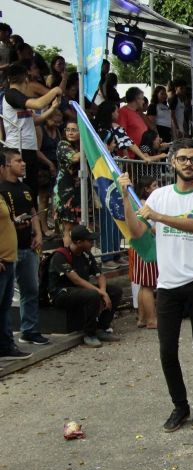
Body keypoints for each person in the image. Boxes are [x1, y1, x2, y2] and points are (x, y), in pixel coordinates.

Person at [119, 138, 193, 432]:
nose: (189, 164)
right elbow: (138, 230)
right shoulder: (159, 196)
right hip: (167, 285)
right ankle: (180, 407)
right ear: (173, 162)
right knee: (167, 351)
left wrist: (159, 217)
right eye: (183, 159)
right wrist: (126, 197)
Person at [0, 148, 49, 345]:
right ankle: (6, 339)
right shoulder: (1, 189)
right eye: (18, 161)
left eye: (23, 160)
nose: (23, 164)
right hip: (7, 251)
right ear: (6, 165)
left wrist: (37, 232)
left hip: (27, 246)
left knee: (31, 290)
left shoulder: (26, 188)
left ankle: (30, 330)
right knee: (6, 297)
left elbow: (33, 210)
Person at [48, 225, 122, 348]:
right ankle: (89, 334)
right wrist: (100, 292)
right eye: (89, 240)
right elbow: (76, 280)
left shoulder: (86, 254)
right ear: (79, 242)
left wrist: (103, 291)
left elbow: (100, 275)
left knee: (115, 291)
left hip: (80, 291)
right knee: (93, 294)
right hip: (61, 293)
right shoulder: (61, 255)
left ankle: (102, 328)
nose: (92, 242)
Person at [2, 62, 62, 202]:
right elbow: (38, 104)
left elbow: (35, 120)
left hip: (29, 148)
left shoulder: (19, 99)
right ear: (26, 79)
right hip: (18, 148)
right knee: (22, 192)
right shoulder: (12, 95)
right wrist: (54, 90)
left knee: (31, 191)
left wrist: (52, 109)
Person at [0, 154, 29, 359]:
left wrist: (14, 224)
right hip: (1, 261)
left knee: (4, 307)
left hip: (8, 259)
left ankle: (5, 346)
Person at [130, 176, 159, 329]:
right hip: (146, 246)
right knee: (148, 285)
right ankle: (151, 319)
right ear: (146, 189)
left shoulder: (139, 203)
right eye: (154, 185)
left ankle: (142, 318)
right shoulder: (144, 205)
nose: (157, 187)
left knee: (143, 285)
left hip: (139, 247)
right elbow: (151, 227)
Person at [54, 120, 81, 246]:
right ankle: (68, 257)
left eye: (74, 130)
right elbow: (74, 158)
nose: (70, 132)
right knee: (68, 228)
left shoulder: (78, 146)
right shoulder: (62, 144)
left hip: (77, 192)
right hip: (64, 191)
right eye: (68, 129)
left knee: (76, 228)